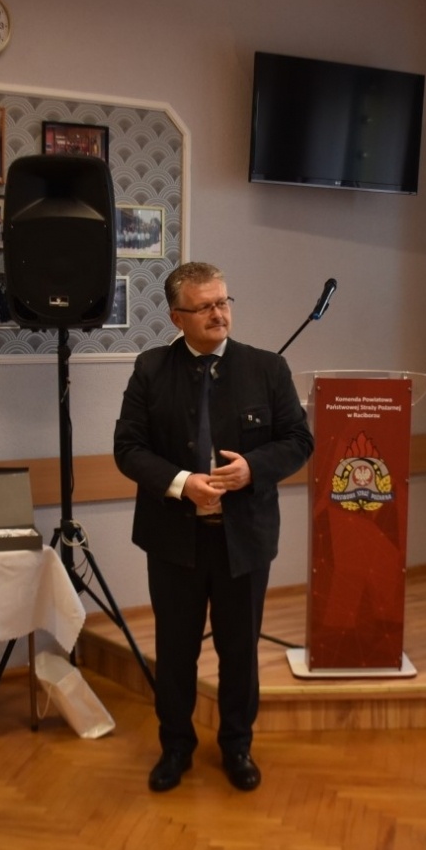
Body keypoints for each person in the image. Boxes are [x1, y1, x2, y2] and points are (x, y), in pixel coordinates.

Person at [114, 262, 313, 793]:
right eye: (204, 307)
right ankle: (175, 747)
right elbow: (128, 448)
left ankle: (237, 745)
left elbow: (299, 440)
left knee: (239, 650)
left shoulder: (267, 368)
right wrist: (182, 483)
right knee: (176, 651)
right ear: (177, 317)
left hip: (242, 540)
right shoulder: (151, 369)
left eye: (223, 302)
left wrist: (253, 469)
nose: (219, 314)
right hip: (173, 540)